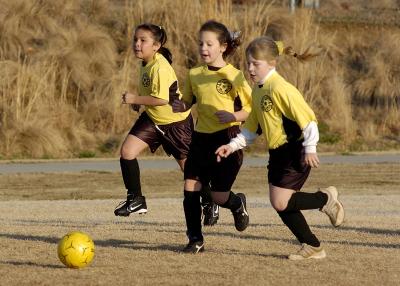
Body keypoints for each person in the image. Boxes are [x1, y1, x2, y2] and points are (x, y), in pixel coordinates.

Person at [216, 36, 345, 260]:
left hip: (294, 149)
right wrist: (232, 145)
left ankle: (325, 200)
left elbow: (308, 119)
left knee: (281, 201)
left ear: (272, 63)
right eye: (248, 63)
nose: (250, 68)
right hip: (277, 153)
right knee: (280, 204)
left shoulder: (281, 88)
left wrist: (310, 147)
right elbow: (252, 129)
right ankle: (313, 246)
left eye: (256, 63)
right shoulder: (258, 90)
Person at [172, 20, 252, 253]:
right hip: (200, 139)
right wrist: (179, 105)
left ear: (223, 47)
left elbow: (251, 110)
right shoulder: (195, 73)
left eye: (209, 44)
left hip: (227, 138)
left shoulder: (234, 76)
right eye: (200, 44)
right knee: (190, 187)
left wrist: (233, 115)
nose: (203, 48)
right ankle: (195, 239)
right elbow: (187, 101)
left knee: (218, 196)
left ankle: (237, 204)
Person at [114, 23, 210, 218]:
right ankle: (136, 199)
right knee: (127, 152)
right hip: (153, 119)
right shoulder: (145, 63)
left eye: (143, 41)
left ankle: (210, 201)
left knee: (190, 172)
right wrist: (138, 102)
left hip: (176, 124)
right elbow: (150, 92)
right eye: (135, 40)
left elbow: (162, 99)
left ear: (156, 46)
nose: (137, 44)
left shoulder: (160, 67)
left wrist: (135, 99)